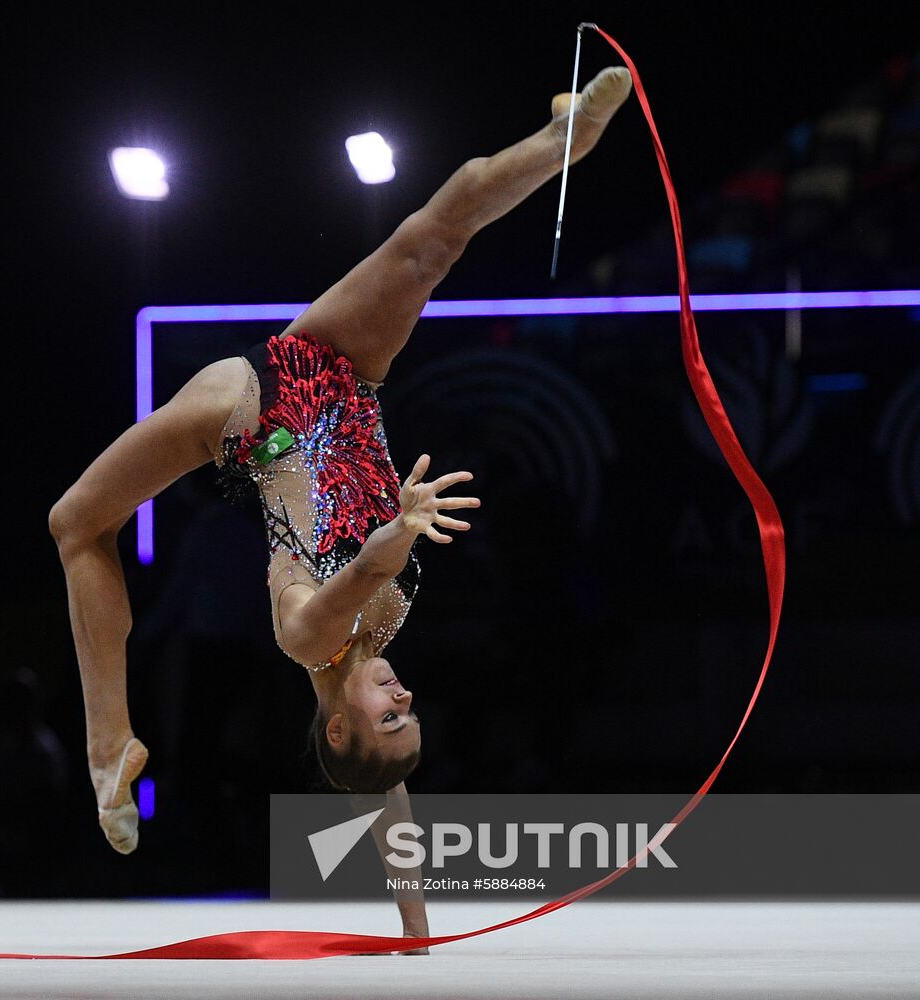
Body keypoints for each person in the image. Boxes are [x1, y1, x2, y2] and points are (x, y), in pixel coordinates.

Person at [49, 65, 633, 946]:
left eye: (389, 713)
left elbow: (360, 571)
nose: (405, 697)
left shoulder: (307, 636)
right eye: (411, 713)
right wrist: (415, 925)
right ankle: (564, 138)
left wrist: (398, 530)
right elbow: (384, 793)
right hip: (337, 373)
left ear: (336, 718)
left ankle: (106, 746)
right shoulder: (379, 640)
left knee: (72, 525)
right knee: (429, 239)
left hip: (248, 414)